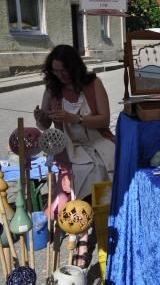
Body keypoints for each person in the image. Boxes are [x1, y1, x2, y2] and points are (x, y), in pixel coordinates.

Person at [34, 44, 115, 268]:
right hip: (68, 144)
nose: (60, 76)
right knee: (79, 172)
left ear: (74, 67)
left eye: (64, 71)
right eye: (56, 71)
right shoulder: (52, 89)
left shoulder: (92, 84)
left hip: (97, 139)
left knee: (104, 165)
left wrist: (76, 119)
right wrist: (40, 118)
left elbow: (104, 120)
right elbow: (45, 125)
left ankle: (103, 220)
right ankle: (82, 234)